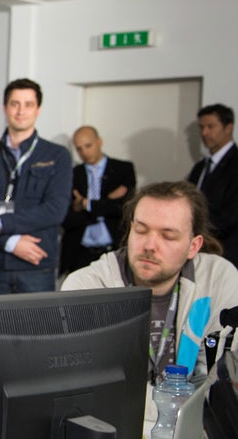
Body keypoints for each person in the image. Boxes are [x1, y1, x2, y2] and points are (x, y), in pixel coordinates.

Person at [62, 180, 238, 387]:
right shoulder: (86, 286)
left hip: (192, 416)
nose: (149, 246)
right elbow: (85, 386)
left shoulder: (219, 278)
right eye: (141, 230)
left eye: (168, 236)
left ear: (194, 246)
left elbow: (220, 378)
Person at [0, 78, 72, 294]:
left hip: (35, 264)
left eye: (28, 104)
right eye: (15, 104)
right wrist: (10, 242)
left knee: (34, 328)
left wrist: (0, 224)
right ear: (5, 108)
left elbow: (54, 210)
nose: (21, 111)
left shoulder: (57, 156)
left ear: (38, 109)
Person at [59, 125, 136, 275]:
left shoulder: (123, 169)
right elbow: (65, 218)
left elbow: (123, 209)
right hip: (80, 253)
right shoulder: (72, 174)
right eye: (79, 149)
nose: (84, 153)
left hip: (114, 250)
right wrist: (106, 202)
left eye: (88, 146)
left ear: (99, 141)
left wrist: (84, 204)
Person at [186, 103, 238, 268]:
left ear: (228, 128)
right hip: (199, 251)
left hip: (227, 252)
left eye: (210, 126)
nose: (204, 133)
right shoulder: (200, 167)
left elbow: (231, 216)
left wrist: (194, 231)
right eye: (202, 127)